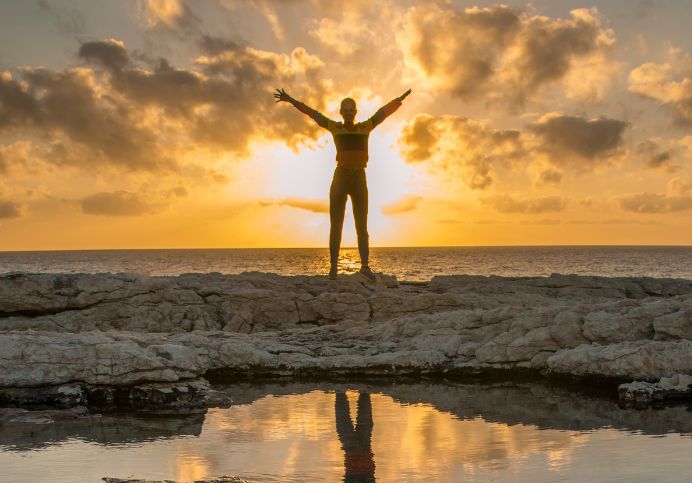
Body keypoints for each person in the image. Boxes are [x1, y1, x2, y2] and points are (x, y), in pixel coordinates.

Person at [274, 87, 412, 281]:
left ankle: (364, 266)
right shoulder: (334, 127)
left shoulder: (366, 126)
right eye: (345, 110)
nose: (348, 112)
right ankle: (333, 269)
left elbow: (383, 113)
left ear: (355, 112)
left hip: (359, 178)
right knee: (336, 224)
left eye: (351, 109)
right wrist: (291, 100)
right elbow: (313, 113)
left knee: (361, 225)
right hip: (340, 178)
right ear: (341, 112)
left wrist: (399, 100)